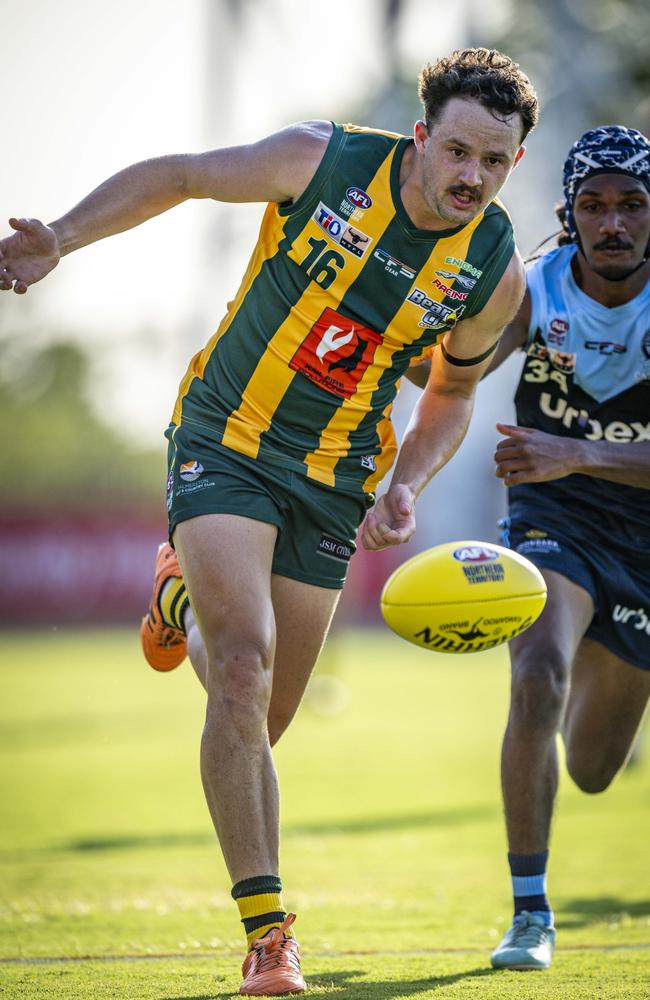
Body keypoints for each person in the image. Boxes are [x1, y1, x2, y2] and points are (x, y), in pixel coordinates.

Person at [0, 48, 538, 994]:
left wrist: (407, 478)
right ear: (421, 137)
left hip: (335, 481)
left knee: (258, 714)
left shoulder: (493, 271)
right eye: (457, 151)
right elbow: (181, 176)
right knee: (242, 671)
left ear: (512, 167)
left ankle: (176, 602)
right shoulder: (318, 161)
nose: (471, 177)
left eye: (494, 164)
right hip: (227, 435)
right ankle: (269, 933)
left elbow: (451, 392)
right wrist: (64, 239)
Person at [484, 125, 650, 971]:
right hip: (553, 512)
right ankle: (529, 913)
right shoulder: (532, 288)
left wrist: (578, 448)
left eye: (630, 205)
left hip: (642, 533)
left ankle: (603, 636)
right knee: (537, 671)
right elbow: (446, 369)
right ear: (569, 214)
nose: (612, 223)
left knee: (591, 768)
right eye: (594, 205)